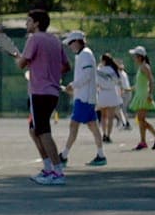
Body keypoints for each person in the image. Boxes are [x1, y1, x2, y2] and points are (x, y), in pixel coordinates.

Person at [10, 10, 67, 185]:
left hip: (39, 93)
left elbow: (21, 64)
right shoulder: (55, 40)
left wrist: (17, 57)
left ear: (36, 23)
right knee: (34, 130)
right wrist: (49, 73)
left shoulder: (34, 39)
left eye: (28, 21)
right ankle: (48, 168)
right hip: (52, 92)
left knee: (42, 132)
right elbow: (66, 66)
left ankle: (57, 172)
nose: (26, 24)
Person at [60, 31, 100, 168]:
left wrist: (73, 85)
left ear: (77, 41)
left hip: (84, 99)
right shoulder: (83, 55)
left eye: (71, 43)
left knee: (74, 125)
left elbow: (87, 75)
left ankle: (64, 156)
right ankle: (101, 155)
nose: (70, 46)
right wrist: (74, 87)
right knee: (93, 126)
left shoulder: (85, 54)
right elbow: (84, 77)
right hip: (84, 97)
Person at [129, 46, 155, 151]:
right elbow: (140, 84)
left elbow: (151, 81)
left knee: (141, 119)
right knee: (141, 120)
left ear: (140, 57)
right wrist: (129, 89)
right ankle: (143, 141)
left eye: (135, 56)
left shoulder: (145, 67)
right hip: (140, 95)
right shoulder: (141, 67)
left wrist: (150, 94)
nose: (134, 58)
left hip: (144, 96)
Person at [95, 52, 129, 158]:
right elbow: (117, 81)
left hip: (103, 93)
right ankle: (108, 135)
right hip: (112, 93)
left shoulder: (100, 70)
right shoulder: (114, 70)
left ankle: (103, 134)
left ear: (104, 61)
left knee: (103, 116)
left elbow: (96, 82)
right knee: (110, 117)